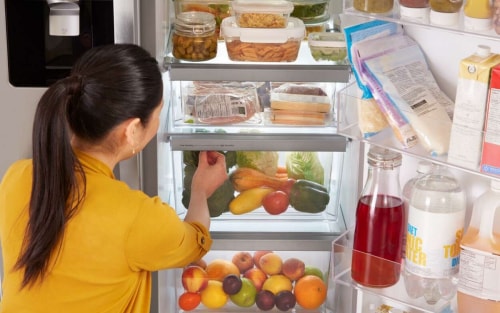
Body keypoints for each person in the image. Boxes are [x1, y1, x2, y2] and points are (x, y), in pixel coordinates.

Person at [0, 44, 228, 312]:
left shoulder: (17, 176)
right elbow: (195, 242)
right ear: (132, 131)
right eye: (158, 113)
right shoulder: (138, 217)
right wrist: (200, 191)